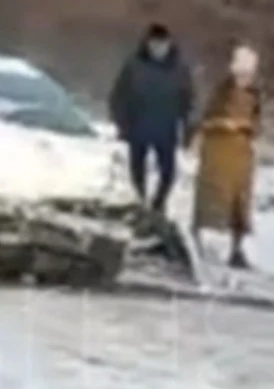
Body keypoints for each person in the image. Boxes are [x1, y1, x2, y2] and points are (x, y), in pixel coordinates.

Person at [107, 22, 196, 215]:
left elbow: (188, 100)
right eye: (154, 44)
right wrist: (121, 122)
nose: (158, 48)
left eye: (162, 44)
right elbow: (118, 95)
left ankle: (158, 203)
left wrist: (189, 127)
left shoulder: (179, 69)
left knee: (168, 172)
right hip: (138, 127)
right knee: (137, 169)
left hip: (166, 129)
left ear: (169, 44)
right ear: (147, 44)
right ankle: (140, 201)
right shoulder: (134, 64)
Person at [193, 44, 263, 268]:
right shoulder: (220, 94)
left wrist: (248, 127)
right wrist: (223, 124)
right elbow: (205, 121)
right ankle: (199, 242)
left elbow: (257, 125)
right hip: (217, 152)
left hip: (241, 154)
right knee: (211, 198)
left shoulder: (255, 95)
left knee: (239, 204)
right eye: (242, 75)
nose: (245, 79)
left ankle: (237, 249)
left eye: (249, 75)